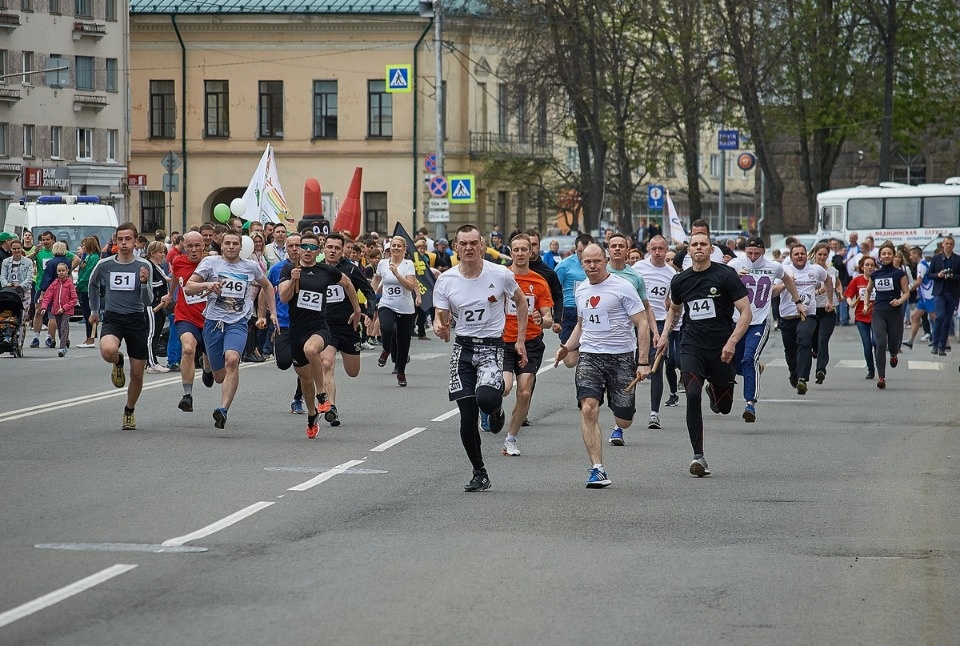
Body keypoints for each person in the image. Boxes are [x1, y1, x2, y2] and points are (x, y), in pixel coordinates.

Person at [433, 225, 528, 492]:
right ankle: (479, 471)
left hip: (491, 348)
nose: (469, 248)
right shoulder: (446, 280)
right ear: (456, 247)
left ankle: (496, 409)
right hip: (463, 350)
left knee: (486, 399)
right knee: (466, 415)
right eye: (463, 244)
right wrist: (439, 326)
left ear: (482, 246)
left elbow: (521, 302)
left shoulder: (500, 274)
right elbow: (440, 317)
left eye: (474, 243)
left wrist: (519, 340)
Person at [553, 243, 650, 487]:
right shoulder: (581, 289)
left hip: (621, 358)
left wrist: (643, 361)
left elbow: (642, 323)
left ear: (605, 261)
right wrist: (567, 347)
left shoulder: (623, 287)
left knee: (624, 418)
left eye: (597, 261)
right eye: (587, 262)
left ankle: (621, 418)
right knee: (588, 408)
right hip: (590, 356)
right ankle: (597, 468)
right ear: (581, 263)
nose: (592, 266)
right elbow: (581, 325)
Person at [656, 232, 751, 477]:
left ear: (711, 249)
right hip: (692, 344)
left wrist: (731, 342)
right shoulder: (680, 281)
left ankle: (716, 389)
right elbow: (675, 311)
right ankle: (698, 456)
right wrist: (665, 335)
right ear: (688, 250)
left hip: (721, 347)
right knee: (692, 393)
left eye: (703, 244)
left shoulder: (725, 275)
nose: (698, 248)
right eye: (694, 244)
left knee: (725, 407)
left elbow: (745, 312)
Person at [185, 230, 278, 429]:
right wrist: (209, 284)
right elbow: (188, 287)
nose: (231, 247)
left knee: (233, 360)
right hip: (213, 322)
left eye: (235, 244)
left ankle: (223, 410)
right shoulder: (211, 263)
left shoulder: (250, 266)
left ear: (240, 246)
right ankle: (207, 364)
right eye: (227, 243)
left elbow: (268, 286)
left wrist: (272, 314)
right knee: (219, 376)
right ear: (222, 245)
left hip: (237, 322)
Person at [279, 231, 359, 438]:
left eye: (311, 248)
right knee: (305, 381)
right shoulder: (289, 269)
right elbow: (284, 297)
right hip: (297, 330)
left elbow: (348, 284)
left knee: (311, 349)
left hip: (319, 327)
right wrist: (292, 281)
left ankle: (322, 396)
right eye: (303, 247)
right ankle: (312, 415)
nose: (307, 251)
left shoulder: (326, 271)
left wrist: (357, 310)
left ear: (318, 250)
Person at [727, 237, 803, 422]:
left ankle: (750, 404)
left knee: (749, 357)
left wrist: (797, 301)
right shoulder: (735, 264)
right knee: (733, 364)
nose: (753, 257)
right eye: (750, 253)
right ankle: (747, 372)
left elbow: (787, 279)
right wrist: (735, 278)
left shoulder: (773, 267)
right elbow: (721, 284)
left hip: (758, 321)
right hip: (736, 321)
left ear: (764, 252)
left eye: (757, 254)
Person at [87, 223, 155, 430]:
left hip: (136, 320)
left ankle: (129, 410)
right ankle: (118, 361)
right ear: (116, 242)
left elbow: (148, 301)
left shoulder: (144, 265)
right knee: (108, 351)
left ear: (136, 241)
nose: (124, 243)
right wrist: (95, 311)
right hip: (114, 318)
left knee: (137, 373)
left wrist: (143, 283)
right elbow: (93, 284)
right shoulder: (105, 265)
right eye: (120, 239)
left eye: (128, 239)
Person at [499, 233, 553, 456]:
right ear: (511, 252)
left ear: (531, 252)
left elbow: (548, 317)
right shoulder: (500, 277)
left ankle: (510, 438)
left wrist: (544, 320)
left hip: (530, 343)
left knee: (524, 393)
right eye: (516, 250)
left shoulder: (539, 282)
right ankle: (492, 409)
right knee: (504, 388)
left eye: (525, 249)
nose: (520, 253)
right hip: (502, 341)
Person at [318, 232, 374, 426]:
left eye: (337, 248)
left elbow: (369, 292)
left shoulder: (351, 269)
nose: (333, 251)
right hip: (325, 327)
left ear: (343, 250)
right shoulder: (317, 269)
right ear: (323, 248)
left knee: (353, 371)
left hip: (348, 326)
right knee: (326, 363)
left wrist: (370, 312)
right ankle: (331, 407)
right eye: (329, 247)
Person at [633, 235, 682, 427]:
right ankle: (628, 408)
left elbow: (674, 305)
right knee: (633, 365)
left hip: (660, 322)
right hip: (637, 321)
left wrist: (667, 331)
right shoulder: (638, 269)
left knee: (657, 367)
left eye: (661, 248)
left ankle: (654, 413)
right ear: (648, 249)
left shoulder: (671, 274)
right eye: (654, 248)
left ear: (666, 249)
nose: (658, 252)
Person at [776, 243, 828, 395]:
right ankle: (794, 372)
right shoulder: (784, 271)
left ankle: (802, 379)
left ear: (807, 255)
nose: (799, 256)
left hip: (808, 314)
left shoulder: (815, 270)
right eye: (796, 254)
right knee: (790, 351)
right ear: (791, 257)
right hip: (787, 316)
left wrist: (829, 299)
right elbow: (773, 293)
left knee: (804, 341)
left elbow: (829, 281)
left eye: (802, 253)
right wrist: (787, 283)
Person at [170, 231, 209, 413]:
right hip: (185, 316)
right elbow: (175, 280)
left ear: (203, 246)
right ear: (184, 247)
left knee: (212, 367)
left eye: (197, 246)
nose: (193, 250)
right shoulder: (178, 261)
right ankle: (187, 395)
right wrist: (170, 295)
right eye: (189, 246)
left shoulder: (211, 263)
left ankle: (207, 367)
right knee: (187, 349)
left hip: (209, 318)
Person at [371, 236, 418, 386]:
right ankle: (386, 349)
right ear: (389, 248)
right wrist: (370, 295)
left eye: (399, 246)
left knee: (404, 342)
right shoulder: (383, 263)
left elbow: (411, 286)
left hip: (406, 307)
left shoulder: (408, 264)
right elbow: (377, 279)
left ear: (404, 249)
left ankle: (401, 371)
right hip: (387, 303)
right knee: (387, 327)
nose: (396, 248)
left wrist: (397, 274)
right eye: (393, 246)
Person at [862, 242, 910, 389]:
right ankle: (881, 376)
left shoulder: (899, 273)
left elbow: (907, 292)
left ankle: (894, 355)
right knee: (880, 343)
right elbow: (868, 291)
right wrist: (865, 305)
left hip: (895, 312)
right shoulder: (875, 274)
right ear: (880, 257)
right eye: (884, 254)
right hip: (879, 312)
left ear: (894, 255)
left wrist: (899, 300)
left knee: (894, 345)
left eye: (889, 253)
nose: (886, 256)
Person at [555, 233, 594, 346]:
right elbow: (554, 291)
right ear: (575, 249)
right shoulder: (564, 266)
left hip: (593, 308)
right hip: (571, 310)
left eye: (587, 250)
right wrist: (556, 315)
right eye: (580, 251)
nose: (584, 254)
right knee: (569, 357)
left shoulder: (599, 265)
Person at [844, 255, 877, 379]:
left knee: (876, 342)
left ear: (875, 267)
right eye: (866, 265)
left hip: (876, 316)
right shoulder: (857, 281)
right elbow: (848, 295)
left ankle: (880, 367)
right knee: (867, 344)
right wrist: (850, 302)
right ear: (862, 267)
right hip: (861, 316)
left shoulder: (878, 279)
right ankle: (871, 370)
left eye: (871, 265)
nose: (869, 267)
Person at [927, 235, 960, 357]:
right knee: (940, 317)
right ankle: (935, 344)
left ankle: (942, 346)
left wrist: (952, 276)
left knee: (947, 320)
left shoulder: (957, 259)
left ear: (953, 245)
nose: (949, 246)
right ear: (942, 244)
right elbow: (929, 275)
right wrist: (938, 275)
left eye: (951, 244)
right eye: (947, 244)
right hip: (939, 292)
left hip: (952, 293)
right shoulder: (936, 259)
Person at [810, 243, 837, 385]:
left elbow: (836, 284)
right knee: (813, 340)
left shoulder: (832, 271)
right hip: (812, 310)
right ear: (814, 254)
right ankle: (815, 350)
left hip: (828, 310)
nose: (822, 257)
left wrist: (838, 296)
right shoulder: (808, 270)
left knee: (823, 339)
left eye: (824, 255)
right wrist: (817, 292)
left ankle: (821, 370)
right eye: (819, 254)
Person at [40, 261, 78, 357]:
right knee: (60, 328)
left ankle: (62, 347)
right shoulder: (55, 283)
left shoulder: (69, 284)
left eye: (63, 271)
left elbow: (73, 299)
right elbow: (48, 295)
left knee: (64, 326)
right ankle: (64, 342)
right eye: (59, 271)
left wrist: (64, 308)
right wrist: (44, 307)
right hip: (56, 310)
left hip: (66, 310)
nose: (61, 272)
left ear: (67, 271)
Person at [145, 241, 172, 373]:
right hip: (152, 305)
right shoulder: (148, 266)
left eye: (164, 252)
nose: (163, 255)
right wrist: (165, 280)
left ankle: (151, 359)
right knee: (151, 334)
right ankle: (151, 363)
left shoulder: (158, 266)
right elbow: (148, 285)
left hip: (160, 305)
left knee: (156, 333)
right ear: (152, 253)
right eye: (160, 252)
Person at [904, 246, 935, 349]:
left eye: (911, 254)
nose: (910, 256)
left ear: (916, 254)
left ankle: (938, 340)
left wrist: (907, 289)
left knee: (935, 318)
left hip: (928, 295)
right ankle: (910, 341)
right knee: (915, 317)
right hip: (924, 296)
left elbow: (919, 281)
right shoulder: (923, 263)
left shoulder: (921, 265)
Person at [75, 237, 101, 348]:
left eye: (84, 245)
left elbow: (89, 273)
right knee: (86, 314)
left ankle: (91, 339)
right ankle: (88, 337)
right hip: (83, 288)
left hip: (87, 289)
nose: (82, 247)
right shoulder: (87, 257)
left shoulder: (94, 257)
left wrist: (79, 284)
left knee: (89, 314)